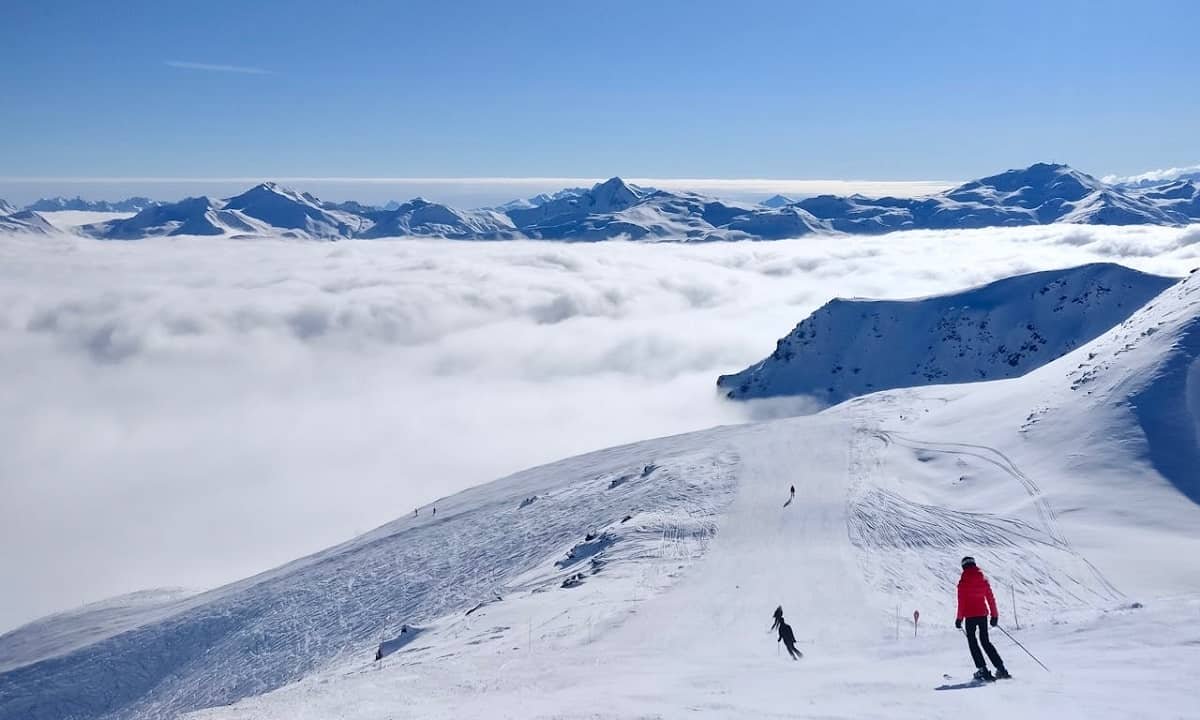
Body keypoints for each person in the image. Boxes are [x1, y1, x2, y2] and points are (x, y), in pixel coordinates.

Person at [955, 556, 1010, 681]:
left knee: (973, 642)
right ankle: (1001, 668)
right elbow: (990, 599)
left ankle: (982, 669)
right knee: (985, 641)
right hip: (982, 615)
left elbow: (961, 603)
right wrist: (994, 615)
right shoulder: (983, 579)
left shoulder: (962, 582)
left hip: (970, 617)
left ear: (963, 567)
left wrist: (959, 619)